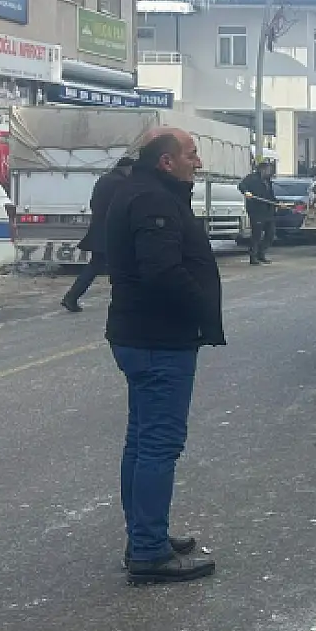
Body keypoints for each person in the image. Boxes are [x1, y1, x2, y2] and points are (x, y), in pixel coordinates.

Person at [106, 129, 225, 584]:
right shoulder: (154, 201)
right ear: (166, 162)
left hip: (143, 336)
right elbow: (162, 273)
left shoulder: (142, 191)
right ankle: (149, 551)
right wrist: (201, 305)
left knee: (142, 442)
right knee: (158, 444)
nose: (198, 161)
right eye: (191, 154)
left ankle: (144, 535)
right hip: (158, 340)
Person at [61, 155, 132, 313]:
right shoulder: (121, 183)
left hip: (99, 229)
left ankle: (71, 297)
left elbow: (93, 203)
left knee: (97, 265)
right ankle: (72, 297)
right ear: (128, 169)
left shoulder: (104, 180)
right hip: (112, 232)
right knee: (115, 267)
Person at [239, 157, 278, 265]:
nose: (269, 171)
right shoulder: (251, 178)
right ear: (262, 169)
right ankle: (253, 257)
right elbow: (241, 185)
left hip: (268, 211)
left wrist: (278, 203)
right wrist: (246, 192)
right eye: (268, 169)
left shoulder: (268, 181)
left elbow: (270, 196)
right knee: (256, 235)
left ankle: (261, 254)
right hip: (256, 211)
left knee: (270, 234)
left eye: (270, 169)